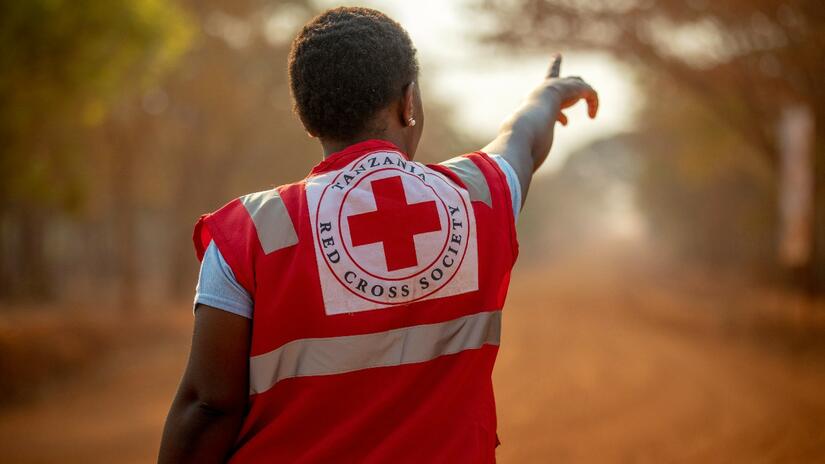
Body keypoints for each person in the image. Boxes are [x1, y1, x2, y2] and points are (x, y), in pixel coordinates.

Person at [158, 6, 597, 463]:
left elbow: (209, 405)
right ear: (409, 102)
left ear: (307, 119)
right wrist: (545, 97)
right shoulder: (478, 197)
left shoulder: (248, 231)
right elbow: (520, 140)